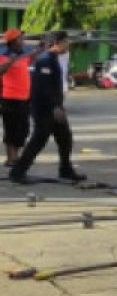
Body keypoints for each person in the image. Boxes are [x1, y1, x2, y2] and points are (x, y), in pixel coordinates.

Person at [10, 32, 84, 184]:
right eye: (65, 42)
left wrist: (59, 106)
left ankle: (65, 170)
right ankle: (17, 173)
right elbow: (44, 88)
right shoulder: (45, 60)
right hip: (44, 108)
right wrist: (55, 107)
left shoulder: (53, 59)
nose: (67, 45)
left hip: (54, 107)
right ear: (56, 43)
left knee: (65, 138)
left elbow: (54, 86)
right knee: (38, 140)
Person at [0, 29, 36, 166]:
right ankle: (11, 158)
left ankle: (16, 156)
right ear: (12, 41)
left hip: (24, 98)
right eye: (20, 39)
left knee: (24, 129)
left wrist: (37, 52)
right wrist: (9, 62)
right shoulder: (3, 55)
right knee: (11, 128)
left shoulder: (22, 56)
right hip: (9, 98)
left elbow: (30, 59)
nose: (23, 41)